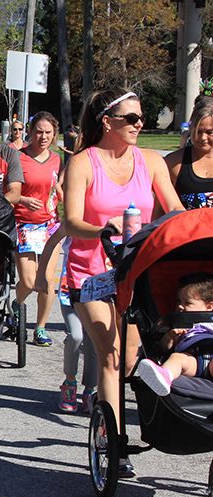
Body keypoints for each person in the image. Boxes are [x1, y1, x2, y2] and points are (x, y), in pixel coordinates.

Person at [63, 88, 184, 476]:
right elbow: (70, 222)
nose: (139, 124)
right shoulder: (83, 163)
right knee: (111, 354)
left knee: (130, 359)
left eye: (140, 117)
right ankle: (114, 442)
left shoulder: (152, 162)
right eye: (131, 118)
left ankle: (105, 406)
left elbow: (176, 212)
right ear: (107, 121)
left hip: (135, 272)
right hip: (91, 273)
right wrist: (103, 228)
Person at [13, 111, 63, 346]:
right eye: (39, 132)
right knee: (29, 281)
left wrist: (62, 195)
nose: (43, 137)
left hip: (50, 225)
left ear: (54, 135)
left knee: (47, 280)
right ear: (30, 133)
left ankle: (40, 328)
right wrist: (22, 199)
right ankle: (18, 305)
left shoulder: (56, 159)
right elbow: (7, 191)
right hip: (23, 224)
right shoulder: (17, 158)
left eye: (48, 133)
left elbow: (56, 186)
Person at [36, 224, 98, 413]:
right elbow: (51, 242)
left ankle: (90, 389)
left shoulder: (110, 223)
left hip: (99, 287)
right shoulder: (73, 221)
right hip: (70, 287)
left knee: (94, 340)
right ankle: (69, 382)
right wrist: (41, 275)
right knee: (76, 335)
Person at [137, 274, 213, 395]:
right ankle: (164, 376)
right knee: (176, 358)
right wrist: (170, 338)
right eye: (178, 301)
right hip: (192, 360)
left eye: (187, 303)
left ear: (209, 306)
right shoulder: (178, 324)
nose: (180, 306)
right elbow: (164, 349)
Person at [166, 102, 213, 209]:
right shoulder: (173, 163)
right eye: (198, 131)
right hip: (185, 225)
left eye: (210, 132)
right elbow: (159, 211)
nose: (203, 138)